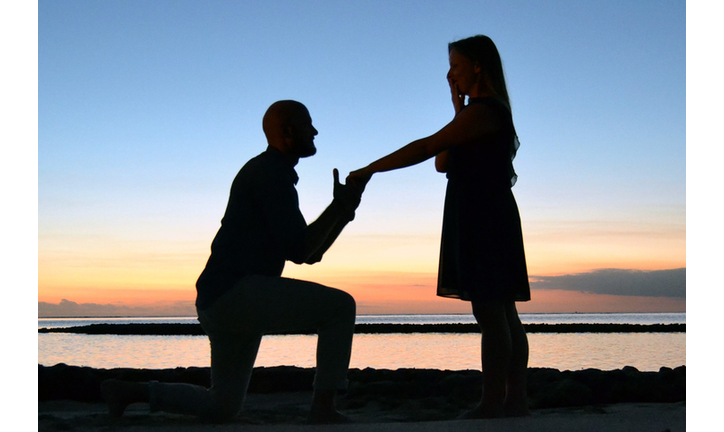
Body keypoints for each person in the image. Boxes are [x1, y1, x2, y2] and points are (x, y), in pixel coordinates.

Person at [101, 100, 362, 424]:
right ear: (290, 131)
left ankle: (129, 392)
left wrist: (343, 211)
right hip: (236, 293)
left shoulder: (271, 172)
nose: (316, 131)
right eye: (309, 124)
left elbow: (311, 254)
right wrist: (340, 208)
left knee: (222, 406)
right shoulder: (270, 174)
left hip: (221, 299)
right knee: (340, 307)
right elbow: (301, 251)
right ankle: (324, 406)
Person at [347, 35, 531, 418]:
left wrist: (370, 169)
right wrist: (455, 109)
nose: (451, 74)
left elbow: (426, 148)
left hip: (484, 215)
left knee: (492, 312)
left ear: (478, 66)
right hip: (481, 212)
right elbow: (444, 162)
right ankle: (512, 400)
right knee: (502, 311)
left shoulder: (485, 112)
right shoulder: (474, 114)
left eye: (456, 66)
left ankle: (494, 402)